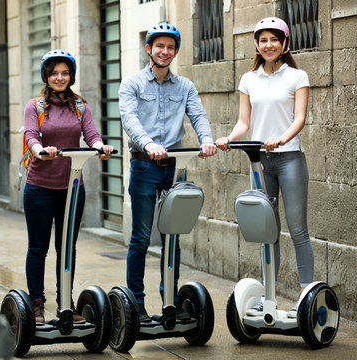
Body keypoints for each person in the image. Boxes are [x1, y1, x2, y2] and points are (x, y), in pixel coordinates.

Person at [119, 22, 217, 322]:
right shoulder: (132, 83)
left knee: (172, 237)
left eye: (171, 47)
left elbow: (198, 114)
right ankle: (136, 303)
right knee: (141, 238)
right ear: (149, 49)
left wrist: (207, 140)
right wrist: (148, 143)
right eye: (159, 46)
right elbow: (129, 119)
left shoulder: (184, 85)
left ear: (176, 51)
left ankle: (170, 302)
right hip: (144, 166)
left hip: (174, 168)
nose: (165, 51)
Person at [215, 17, 312, 318]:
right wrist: (228, 138)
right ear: (257, 45)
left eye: (274, 39)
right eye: (263, 40)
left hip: (290, 158)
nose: (268, 45)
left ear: (284, 44)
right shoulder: (249, 79)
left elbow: (299, 119)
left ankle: (306, 293)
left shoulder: (297, 77)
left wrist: (280, 138)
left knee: (298, 230)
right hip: (261, 162)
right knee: (267, 230)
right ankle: (268, 295)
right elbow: (245, 122)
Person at [23, 49, 113, 325]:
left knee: (67, 247)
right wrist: (39, 151)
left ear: (71, 76)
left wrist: (100, 147)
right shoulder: (35, 106)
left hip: (73, 187)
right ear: (46, 77)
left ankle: (66, 302)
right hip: (39, 186)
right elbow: (30, 135)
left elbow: (92, 134)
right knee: (38, 247)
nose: (60, 78)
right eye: (54, 73)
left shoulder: (80, 106)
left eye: (65, 73)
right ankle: (36, 303)